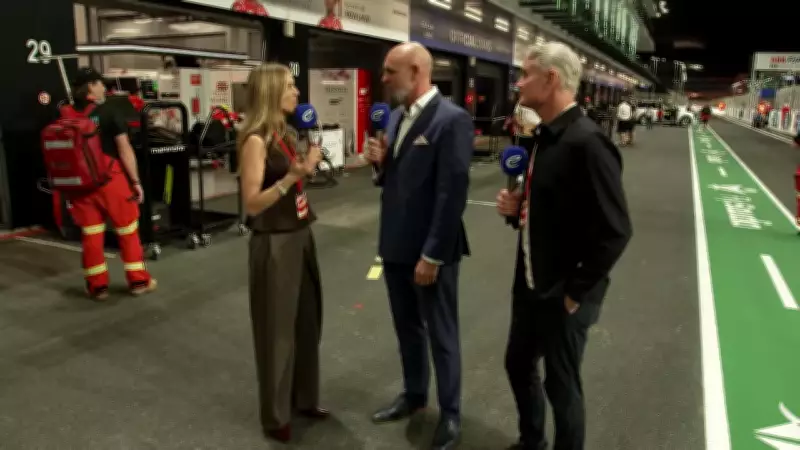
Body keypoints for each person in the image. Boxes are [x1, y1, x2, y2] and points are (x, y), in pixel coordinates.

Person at [495, 42, 633, 450]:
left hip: (565, 293)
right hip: (531, 284)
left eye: (525, 74)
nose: (518, 83)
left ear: (551, 79)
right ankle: (531, 441)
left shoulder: (588, 143)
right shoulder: (543, 137)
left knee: (561, 383)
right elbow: (551, 208)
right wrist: (517, 209)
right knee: (518, 363)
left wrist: (576, 292)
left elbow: (616, 230)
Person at [365, 42, 473, 450]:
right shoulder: (395, 117)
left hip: (431, 251)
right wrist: (380, 165)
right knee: (407, 328)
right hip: (395, 244)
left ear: (416, 70)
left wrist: (432, 254)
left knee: (441, 334)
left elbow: (451, 194)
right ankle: (414, 395)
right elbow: (394, 180)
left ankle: (450, 414)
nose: (384, 78)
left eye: (390, 71)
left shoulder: (452, 120)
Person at [238, 63, 327, 444]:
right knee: (276, 331)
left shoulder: (286, 133)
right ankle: (276, 417)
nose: (296, 92)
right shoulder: (256, 140)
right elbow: (252, 203)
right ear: (271, 92)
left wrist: (305, 168)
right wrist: (292, 177)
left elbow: (294, 180)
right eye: (290, 86)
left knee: (307, 322)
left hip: (300, 233)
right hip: (274, 241)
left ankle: (305, 398)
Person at [64, 67, 157, 300]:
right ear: (91, 86)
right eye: (100, 83)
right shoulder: (109, 112)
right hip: (110, 179)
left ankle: (97, 287)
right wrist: (135, 181)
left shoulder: (66, 114)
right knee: (127, 230)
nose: (104, 88)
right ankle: (138, 282)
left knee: (92, 234)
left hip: (81, 185)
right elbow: (124, 150)